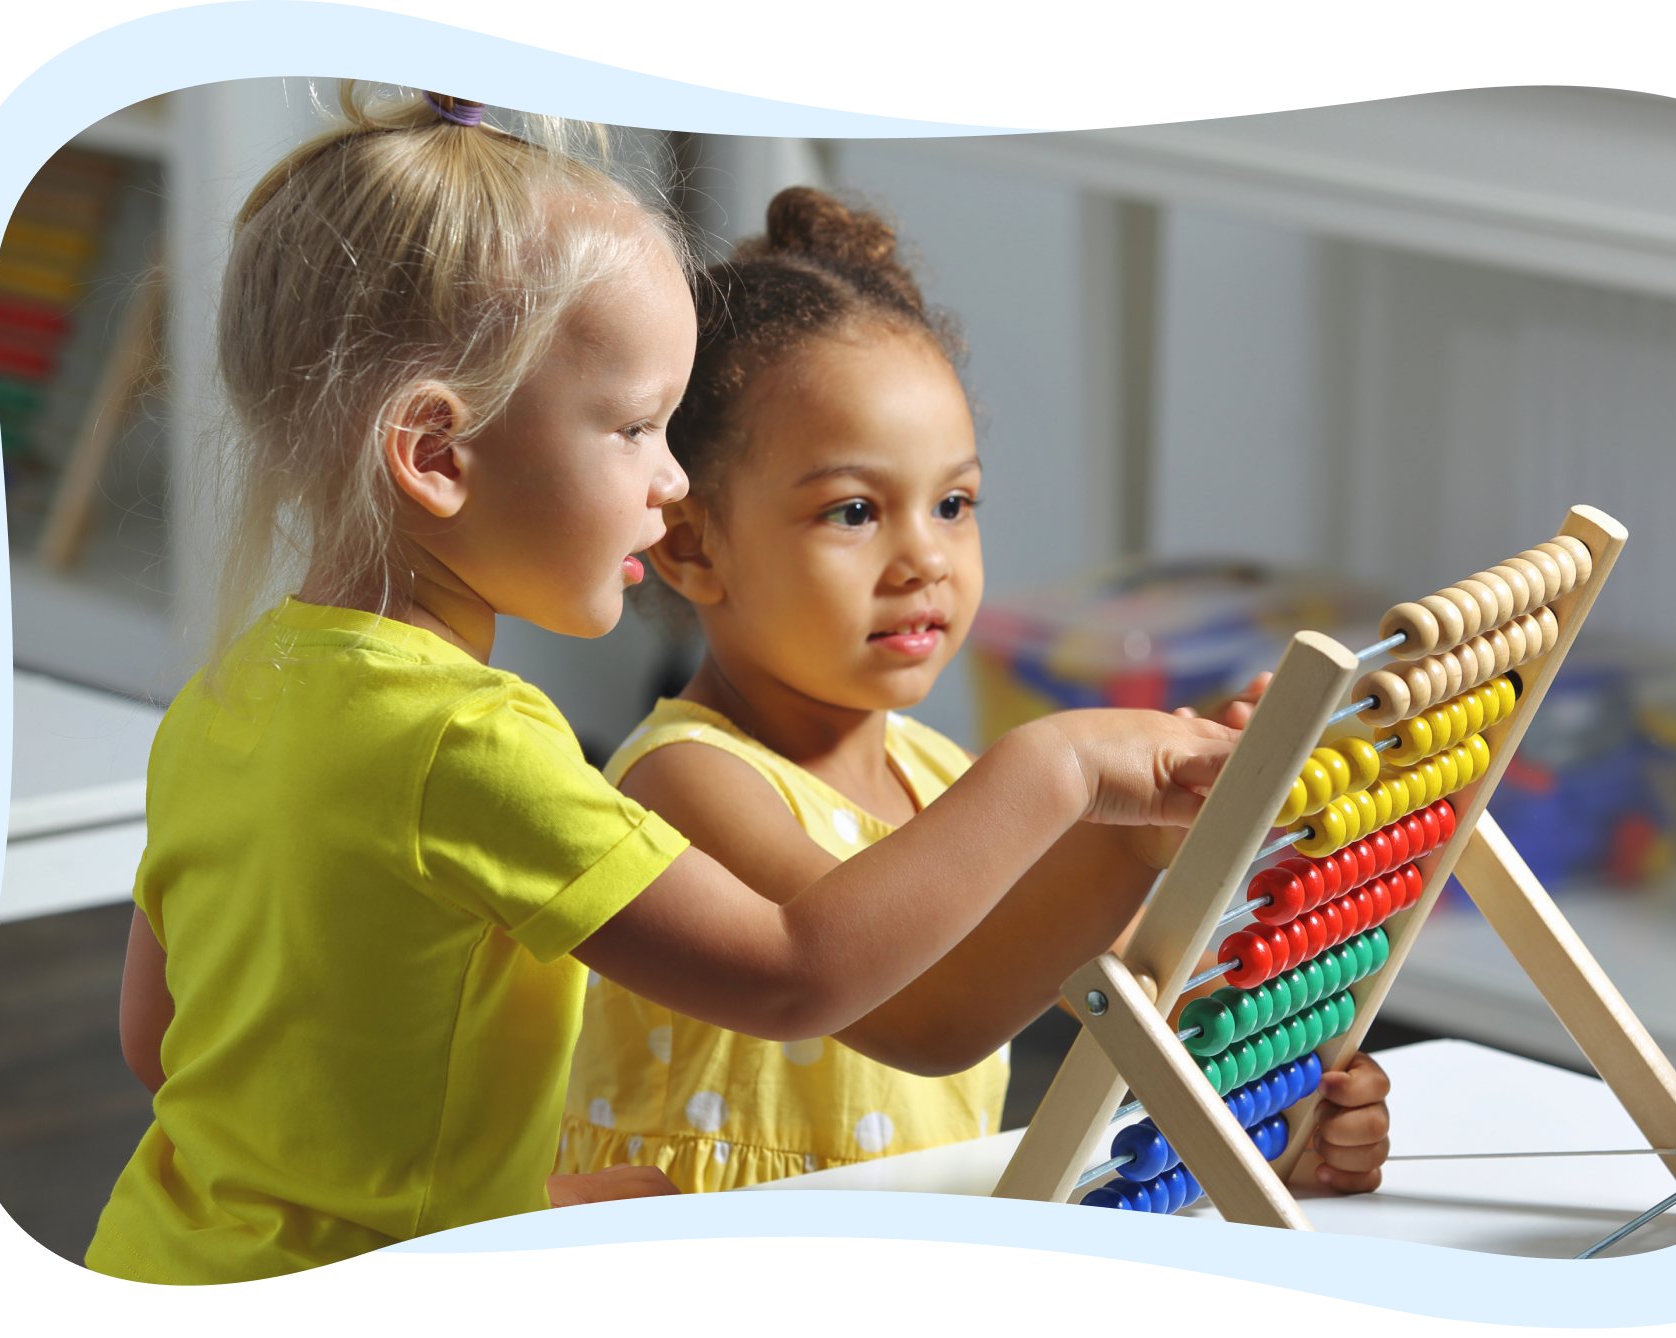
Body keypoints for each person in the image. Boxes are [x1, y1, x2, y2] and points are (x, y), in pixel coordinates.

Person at [89, 89, 1242, 1284]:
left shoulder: (228, 695)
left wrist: (509, 1189)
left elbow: (172, 1045)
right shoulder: (469, 741)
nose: (669, 478)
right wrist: (1055, 764)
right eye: (636, 428)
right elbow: (797, 971)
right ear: (437, 456)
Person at [557, 187, 1394, 1197]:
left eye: (954, 503)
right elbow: (930, 1013)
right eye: (855, 510)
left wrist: (1277, 1112)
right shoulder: (683, 787)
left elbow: (1158, 1016)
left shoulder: (941, 779)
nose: (925, 559)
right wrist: (1089, 799)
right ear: (691, 545)